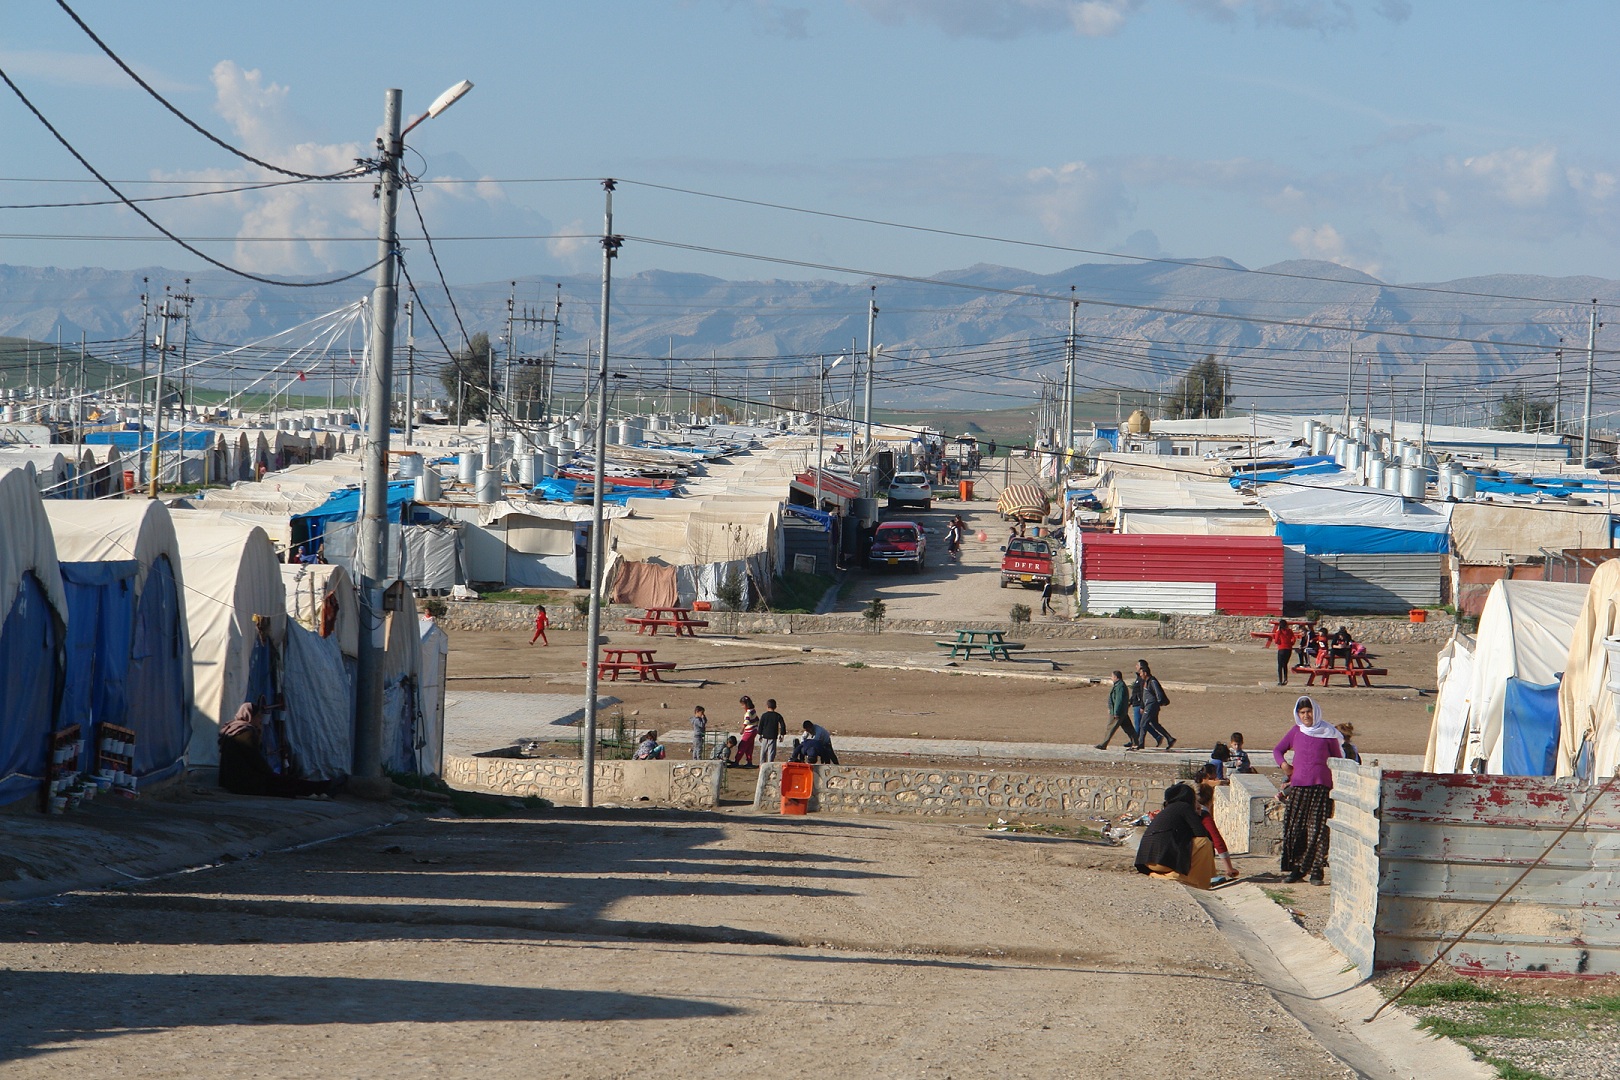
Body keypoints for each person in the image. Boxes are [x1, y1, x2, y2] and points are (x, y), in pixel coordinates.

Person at [1273, 696, 1343, 885]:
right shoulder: (1296, 731)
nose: (1306, 715)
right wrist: (1284, 766)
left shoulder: (1328, 733)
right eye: (1302, 712)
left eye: (1309, 711)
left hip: (1321, 788)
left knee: (1318, 831)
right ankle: (1297, 869)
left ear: (1316, 711)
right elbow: (1277, 750)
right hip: (1298, 787)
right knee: (1295, 828)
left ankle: (1316, 871)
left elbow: (1339, 760)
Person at [217, 701, 341, 798]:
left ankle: (321, 787)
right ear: (251, 716)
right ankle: (322, 788)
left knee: (284, 783)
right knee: (285, 784)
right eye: (258, 717)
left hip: (232, 781)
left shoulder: (232, 729)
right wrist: (271, 774)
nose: (260, 720)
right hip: (244, 783)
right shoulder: (245, 732)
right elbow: (256, 761)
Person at [1134, 783, 1214, 889]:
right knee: (1204, 843)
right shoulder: (1184, 807)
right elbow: (1201, 833)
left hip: (1146, 862)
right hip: (1163, 862)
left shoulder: (1169, 810)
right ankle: (1197, 882)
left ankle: (1162, 874)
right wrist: (1198, 815)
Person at [1197, 783, 1240, 884]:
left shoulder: (1188, 811)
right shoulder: (1203, 815)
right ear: (1211, 800)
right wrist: (1229, 868)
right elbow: (1217, 840)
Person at [1132, 659, 1175, 750]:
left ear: (1145, 673)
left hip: (1151, 706)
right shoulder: (1145, 682)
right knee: (1155, 724)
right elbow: (1144, 694)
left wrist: (1157, 703)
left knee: (1143, 724)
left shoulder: (1152, 681)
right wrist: (1143, 706)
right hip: (1148, 705)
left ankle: (1141, 743)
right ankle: (1169, 738)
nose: (1140, 675)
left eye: (1141, 673)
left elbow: (1158, 693)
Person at [1097, 669, 1136, 750]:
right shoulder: (1119, 685)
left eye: (1112, 676)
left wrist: (1115, 712)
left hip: (1118, 712)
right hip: (1122, 712)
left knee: (1111, 727)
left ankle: (1104, 744)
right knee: (1128, 728)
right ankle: (1136, 742)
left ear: (1115, 677)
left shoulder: (1120, 686)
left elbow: (1118, 700)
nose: (1111, 678)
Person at [1265, 618, 1296, 686]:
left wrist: (1280, 643)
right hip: (1288, 649)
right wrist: (1291, 643)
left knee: (1280, 665)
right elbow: (1293, 638)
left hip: (1281, 649)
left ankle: (1280, 680)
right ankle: (1285, 678)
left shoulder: (1279, 631)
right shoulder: (1290, 631)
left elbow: (1276, 641)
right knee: (1285, 664)